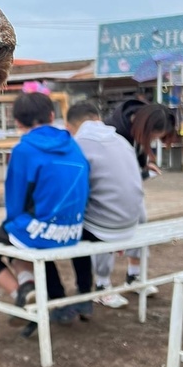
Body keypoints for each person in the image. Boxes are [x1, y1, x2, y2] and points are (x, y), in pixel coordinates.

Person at [0, 91, 90, 333]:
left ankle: (23, 296)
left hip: (42, 231)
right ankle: (33, 290)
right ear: (51, 114)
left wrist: (15, 224)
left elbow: (15, 202)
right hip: (73, 230)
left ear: (17, 122)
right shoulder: (72, 144)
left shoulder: (25, 150)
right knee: (18, 236)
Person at [66, 100, 146, 310]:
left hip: (105, 227)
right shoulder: (121, 140)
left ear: (69, 128)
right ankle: (115, 281)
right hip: (131, 224)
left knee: (67, 223)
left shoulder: (78, 144)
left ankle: (90, 291)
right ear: (98, 119)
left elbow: (75, 192)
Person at [102, 99, 175, 291]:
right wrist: (137, 173)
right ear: (145, 127)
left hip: (128, 188)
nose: (151, 142)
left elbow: (137, 150)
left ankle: (134, 276)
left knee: (141, 221)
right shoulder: (112, 131)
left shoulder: (136, 127)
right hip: (104, 192)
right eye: (152, 137)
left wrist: (143, 165)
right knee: (105, 233)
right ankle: (102, 285)